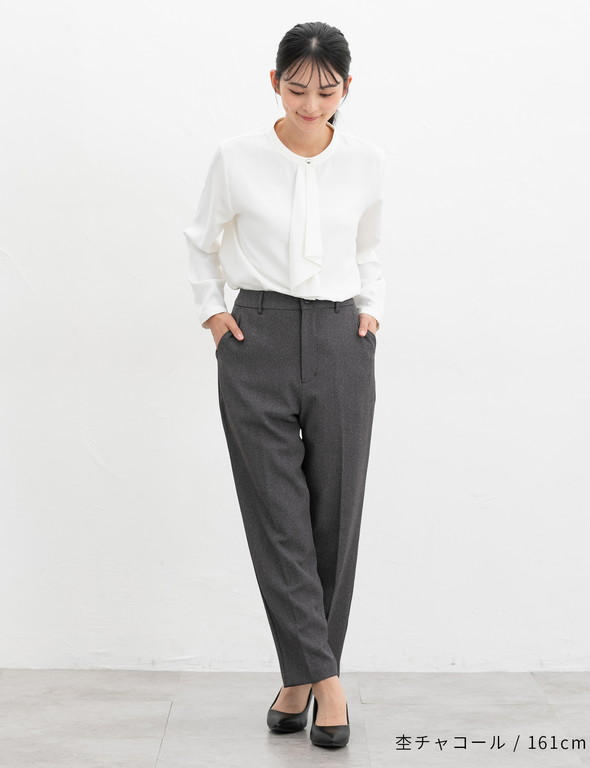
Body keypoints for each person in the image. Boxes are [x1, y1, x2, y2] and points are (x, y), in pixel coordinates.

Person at [182, 21, 386, 748]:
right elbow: (200, 239)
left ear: (346, 89)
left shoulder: (366, 162)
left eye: (326, 92)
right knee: (278, 518)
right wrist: (213, 314)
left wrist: (371, 312)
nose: (310, 105)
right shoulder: (235, 158)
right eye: (297, 89)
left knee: (335, 516)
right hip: (256, 338)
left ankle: (299, 677)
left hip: (340, 337)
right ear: (275, 83)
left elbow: (372, 247)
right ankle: (329, 684)